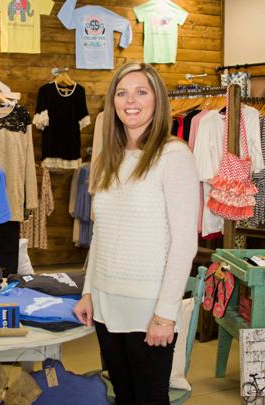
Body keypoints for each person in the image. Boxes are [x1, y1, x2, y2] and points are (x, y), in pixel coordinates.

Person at [74, 63, 199, 404]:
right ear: (113, 102)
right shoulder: (108, 158)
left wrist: (166, 313)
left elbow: (184, 243)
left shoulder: (174, 155)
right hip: (105, 304)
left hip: (149, 308)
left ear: (157, 100)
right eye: (122, 93)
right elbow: (101, 233)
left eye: (141, 92)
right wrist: (89, 291)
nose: (131, 101)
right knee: (123, 396)